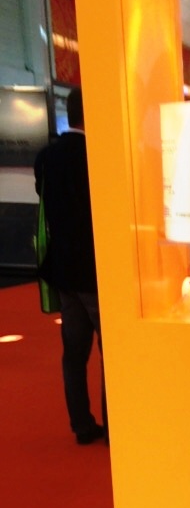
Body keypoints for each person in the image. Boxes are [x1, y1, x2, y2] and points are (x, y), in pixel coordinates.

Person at [34, 86, 107, 445]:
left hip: (62, 268)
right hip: (95, 269)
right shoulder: (97, 156)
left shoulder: (46, 157)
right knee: (110, 352)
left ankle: (82, 424)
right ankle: (114, 426)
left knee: (74, 354)